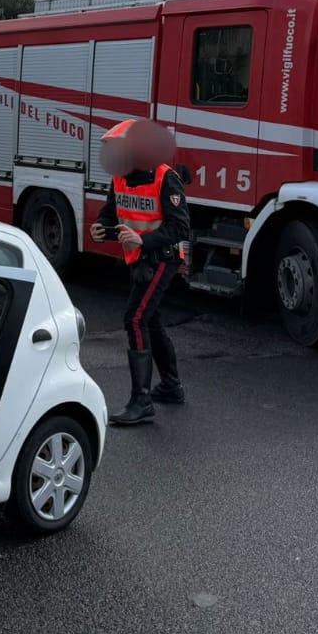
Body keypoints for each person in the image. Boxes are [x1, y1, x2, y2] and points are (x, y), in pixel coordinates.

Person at [91, 118, 191, 426]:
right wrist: (101, 230)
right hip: (139, 258)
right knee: (151, 318)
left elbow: (180, 227)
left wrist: (143, 240)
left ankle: (142, 400)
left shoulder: (165, 178)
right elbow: (111, 215)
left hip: (162, 257)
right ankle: (171, 386)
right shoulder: (120, 179)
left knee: (135, 318)